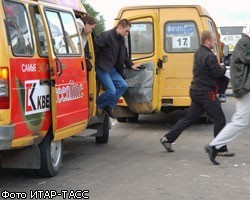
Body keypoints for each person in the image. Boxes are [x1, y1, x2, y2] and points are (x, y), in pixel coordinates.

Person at [160, 31, 234, 156]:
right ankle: (220, 148)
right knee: (219, 119)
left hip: (196, 90)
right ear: (207, 41)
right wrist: (223, 67)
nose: (215, 43)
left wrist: (217, 66)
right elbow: (218, 73)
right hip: (205, 92)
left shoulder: (198, 53)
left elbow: (208, 69)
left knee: (189, 119)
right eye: (213, 40)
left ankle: (168, 138)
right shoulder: (209, 56)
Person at [205, 32, 250, 165]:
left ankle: (214, 146)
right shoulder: (244, 42)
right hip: (244, 88)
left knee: (240, 120)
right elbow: (247, 58)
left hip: (244, 87)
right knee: (240, 121)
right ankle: (214, 146)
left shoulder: (245, 42)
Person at [95, 19, 141, 118]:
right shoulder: (105, 36)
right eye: (126, 31)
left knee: (123, 86)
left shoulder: (121, 40)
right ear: (120, 27)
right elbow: (95, 48)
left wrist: (130, 64)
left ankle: (108, 106)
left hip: (111, 69)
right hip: (102, 68)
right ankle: (96, 105)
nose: (127, 33)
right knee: (112, 91)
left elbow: (124, 55)